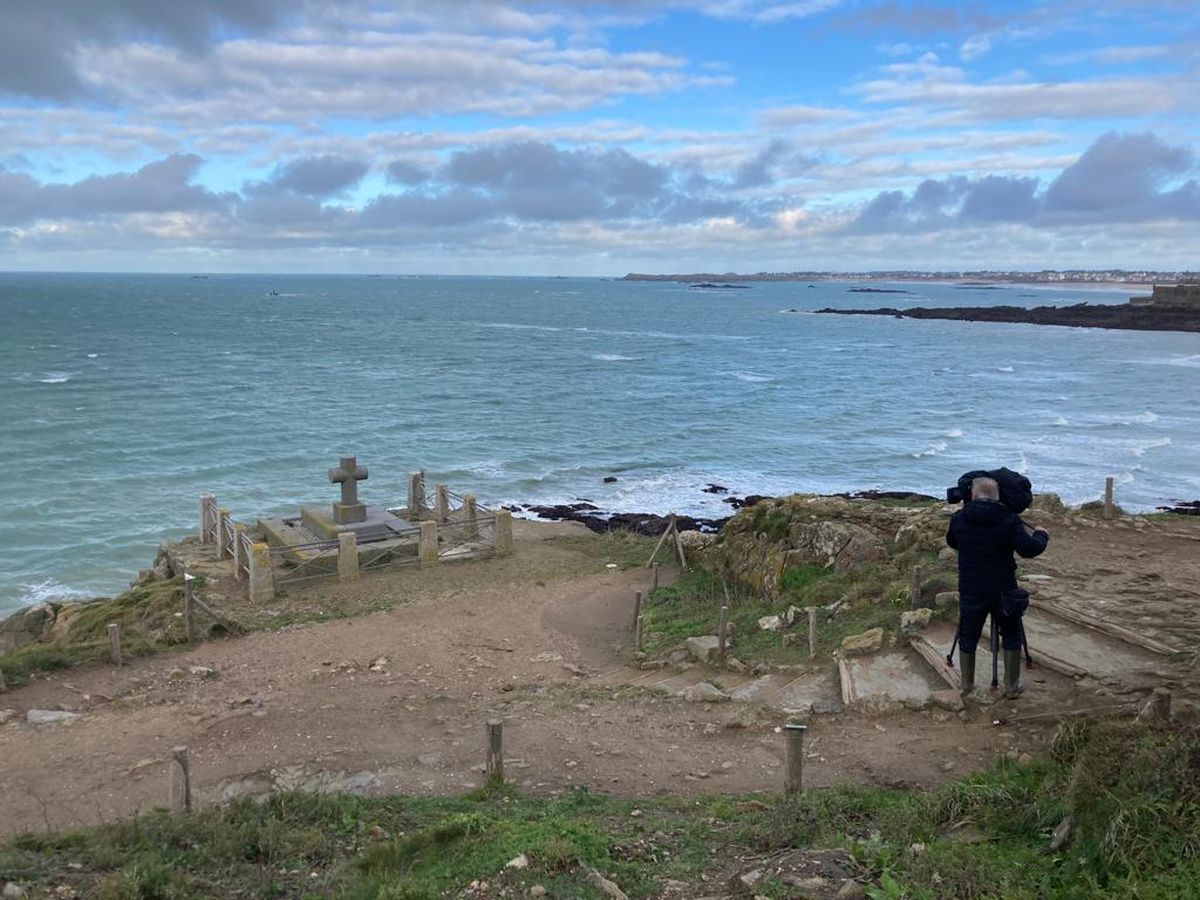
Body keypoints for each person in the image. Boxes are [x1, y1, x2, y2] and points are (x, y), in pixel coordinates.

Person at [946, 476, 1049, 699]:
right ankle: (1011, 687)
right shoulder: (1009, 518)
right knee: (1011, 633)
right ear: (998, 495)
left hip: (972, 587)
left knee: (968, 634)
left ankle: (967, 686)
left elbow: (952, 542)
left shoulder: (959, 518)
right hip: (1004, 587)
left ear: (972, 495)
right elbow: (1029, 549)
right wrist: (1041, 535)